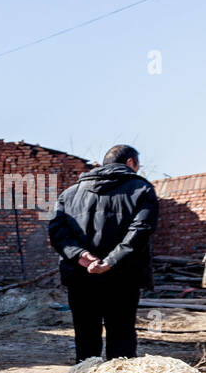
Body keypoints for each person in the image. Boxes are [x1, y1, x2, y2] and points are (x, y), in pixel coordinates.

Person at [47, 144, 159, 361]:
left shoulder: (69, 194)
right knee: (121, 336)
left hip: (81, 276)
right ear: (130, 163)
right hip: (123, 276)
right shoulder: (141, 189)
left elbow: (57, 232)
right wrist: (110, 262)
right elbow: (140, 231)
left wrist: (80, 255)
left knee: (85, 334)